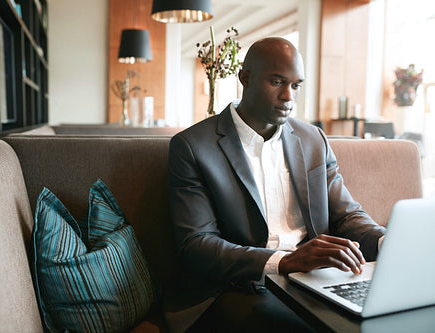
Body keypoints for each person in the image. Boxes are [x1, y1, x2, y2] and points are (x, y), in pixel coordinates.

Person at [165, 37, 386, 332]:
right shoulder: (193, 147)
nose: (287, 96)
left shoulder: (313, 141)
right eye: (277, 82)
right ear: (245, 78)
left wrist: (388, 242)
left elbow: (347, 216)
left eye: (296, 85)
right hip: (234, 287)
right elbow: (197, 246)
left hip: (311, 280)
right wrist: (284, 262)